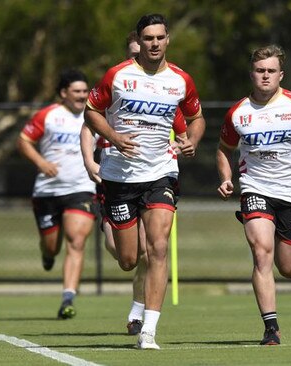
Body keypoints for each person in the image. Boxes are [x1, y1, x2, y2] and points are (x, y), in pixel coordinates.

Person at [84, 14, 206, 350]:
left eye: (160, 38)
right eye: (148, 38)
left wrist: (192, 140)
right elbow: (91, 111)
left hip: (161, 172)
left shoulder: (180, 80)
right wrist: (114, 136)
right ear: (140, 39)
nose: (154, 43)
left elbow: (196, 118)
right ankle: (109, 223)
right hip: (120, 176)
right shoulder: (118, 76)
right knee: (128, 259)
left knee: (158, 247)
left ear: (168, 40)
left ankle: (148, 330)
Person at [216, 44, 291, 346]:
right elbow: (223, 149)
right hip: (255, 188)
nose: (265, 76)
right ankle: (271, 328)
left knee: (289, 267)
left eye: (271, 71)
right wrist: (227, 178)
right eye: (260, 71)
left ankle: (274, 313)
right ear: (252, 74)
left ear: (281, 74)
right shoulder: (238, 113)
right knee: (261, 254)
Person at [17, 68, 96, 319]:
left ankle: (68, 297)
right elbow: (24, 141)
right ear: (63, 93)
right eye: (77, 91)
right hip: (47, 191)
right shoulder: (48, 115)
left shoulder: (95, 116)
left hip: (81, 188)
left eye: (85, 91)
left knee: (77, 240)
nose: (82, 96)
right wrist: (40, 163)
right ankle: (47, 252)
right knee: (52, 247)